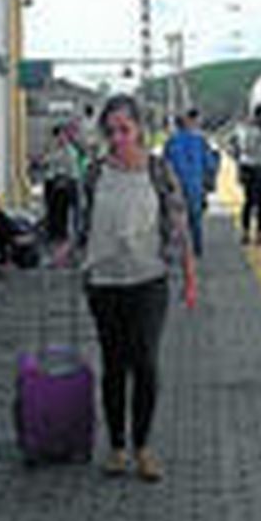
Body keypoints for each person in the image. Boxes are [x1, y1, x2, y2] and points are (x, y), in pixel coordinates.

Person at [67, 95, 197, 483]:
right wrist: (68, 251)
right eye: (111, 131)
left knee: (145, 363)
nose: (118, 138)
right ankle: (117, 447)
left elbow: (179, 224)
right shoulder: (94, 173)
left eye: (124, 129)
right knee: (113, 364)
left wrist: (190, 276)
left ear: (139, 129)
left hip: (149, 279)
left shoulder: (158, 171)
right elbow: (83, 223)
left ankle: (143, 447)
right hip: (104, 282)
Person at [161, 109, 219, 257]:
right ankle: (196, 248)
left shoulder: (170, 142)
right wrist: (209, 181)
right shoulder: (200, 141)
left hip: (175, 185)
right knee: (195, 218)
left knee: (174, 219)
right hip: (195, 185)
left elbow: (164, 163)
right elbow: (210, 164)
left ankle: (174, 248)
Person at [230, 104, 261, 246]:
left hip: (252, 167)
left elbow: (237, 148)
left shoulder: (247, 129)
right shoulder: (258, 130)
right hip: (258, 168)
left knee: (253, 202)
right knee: (256, 202)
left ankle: (250, 233)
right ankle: (255, 233)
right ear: (259, 115)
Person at [41, 124, 80, 244]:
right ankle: (53, 231)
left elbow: (70, 169)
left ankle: (62, 233)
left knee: (62, 209)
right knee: (52, 208)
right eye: (57, 136)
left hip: (66, 183)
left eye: (62, 135)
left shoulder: (69, 150)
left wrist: (64, 180)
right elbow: (47, 162)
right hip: (53, 181)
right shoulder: (54, 149)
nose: (59, 138)